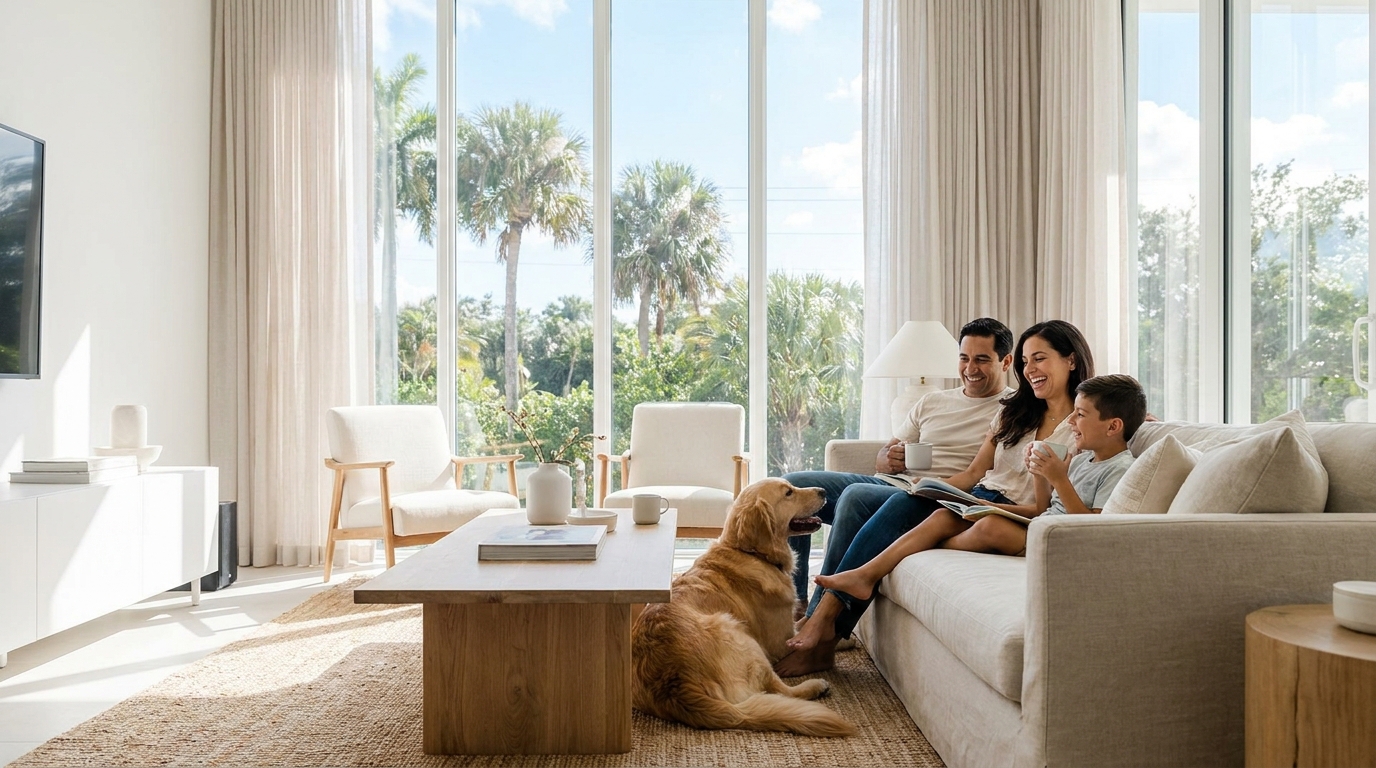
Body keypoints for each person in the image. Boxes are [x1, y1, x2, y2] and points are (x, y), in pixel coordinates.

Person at [776, 320, 1094, 676]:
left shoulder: (1084, 422)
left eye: (1039, 359)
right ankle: (818, 615)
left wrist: (1135, 419)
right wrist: (928, 487)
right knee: (898, 500)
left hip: (1015, 512)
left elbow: (1060, 489)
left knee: (873, 501)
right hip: (976, 494)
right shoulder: (1016, 410)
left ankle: (824, 624)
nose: (1029, 369)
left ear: (1070, 360)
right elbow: (974, 474)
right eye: (1025, 361)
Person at [800, 374, 1145, 614]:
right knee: (943, 515)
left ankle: (869, 572)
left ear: (1113, 426)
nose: (1072, 422)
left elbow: (1091, 527)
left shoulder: (1119, 467)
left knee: (987, 527)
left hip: (1055, 539)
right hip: (1040, 524)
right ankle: (864, 574)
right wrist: (1040, 476)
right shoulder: (1083, 457)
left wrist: (1059, 477)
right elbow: (1043, 508)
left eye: (1080, 416)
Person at [783, 318, 1015, 606]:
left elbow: (986, 475)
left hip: (931, 497)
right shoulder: (932, 401)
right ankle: (793, 603)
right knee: (793, 486)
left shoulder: (1014, 410)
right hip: (891, 483)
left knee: (856, 495)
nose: (970, 369)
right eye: (964, 358)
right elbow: (883, 455)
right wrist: (887, 460)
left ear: (1006, 362)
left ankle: (819, 612)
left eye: (982, 360)